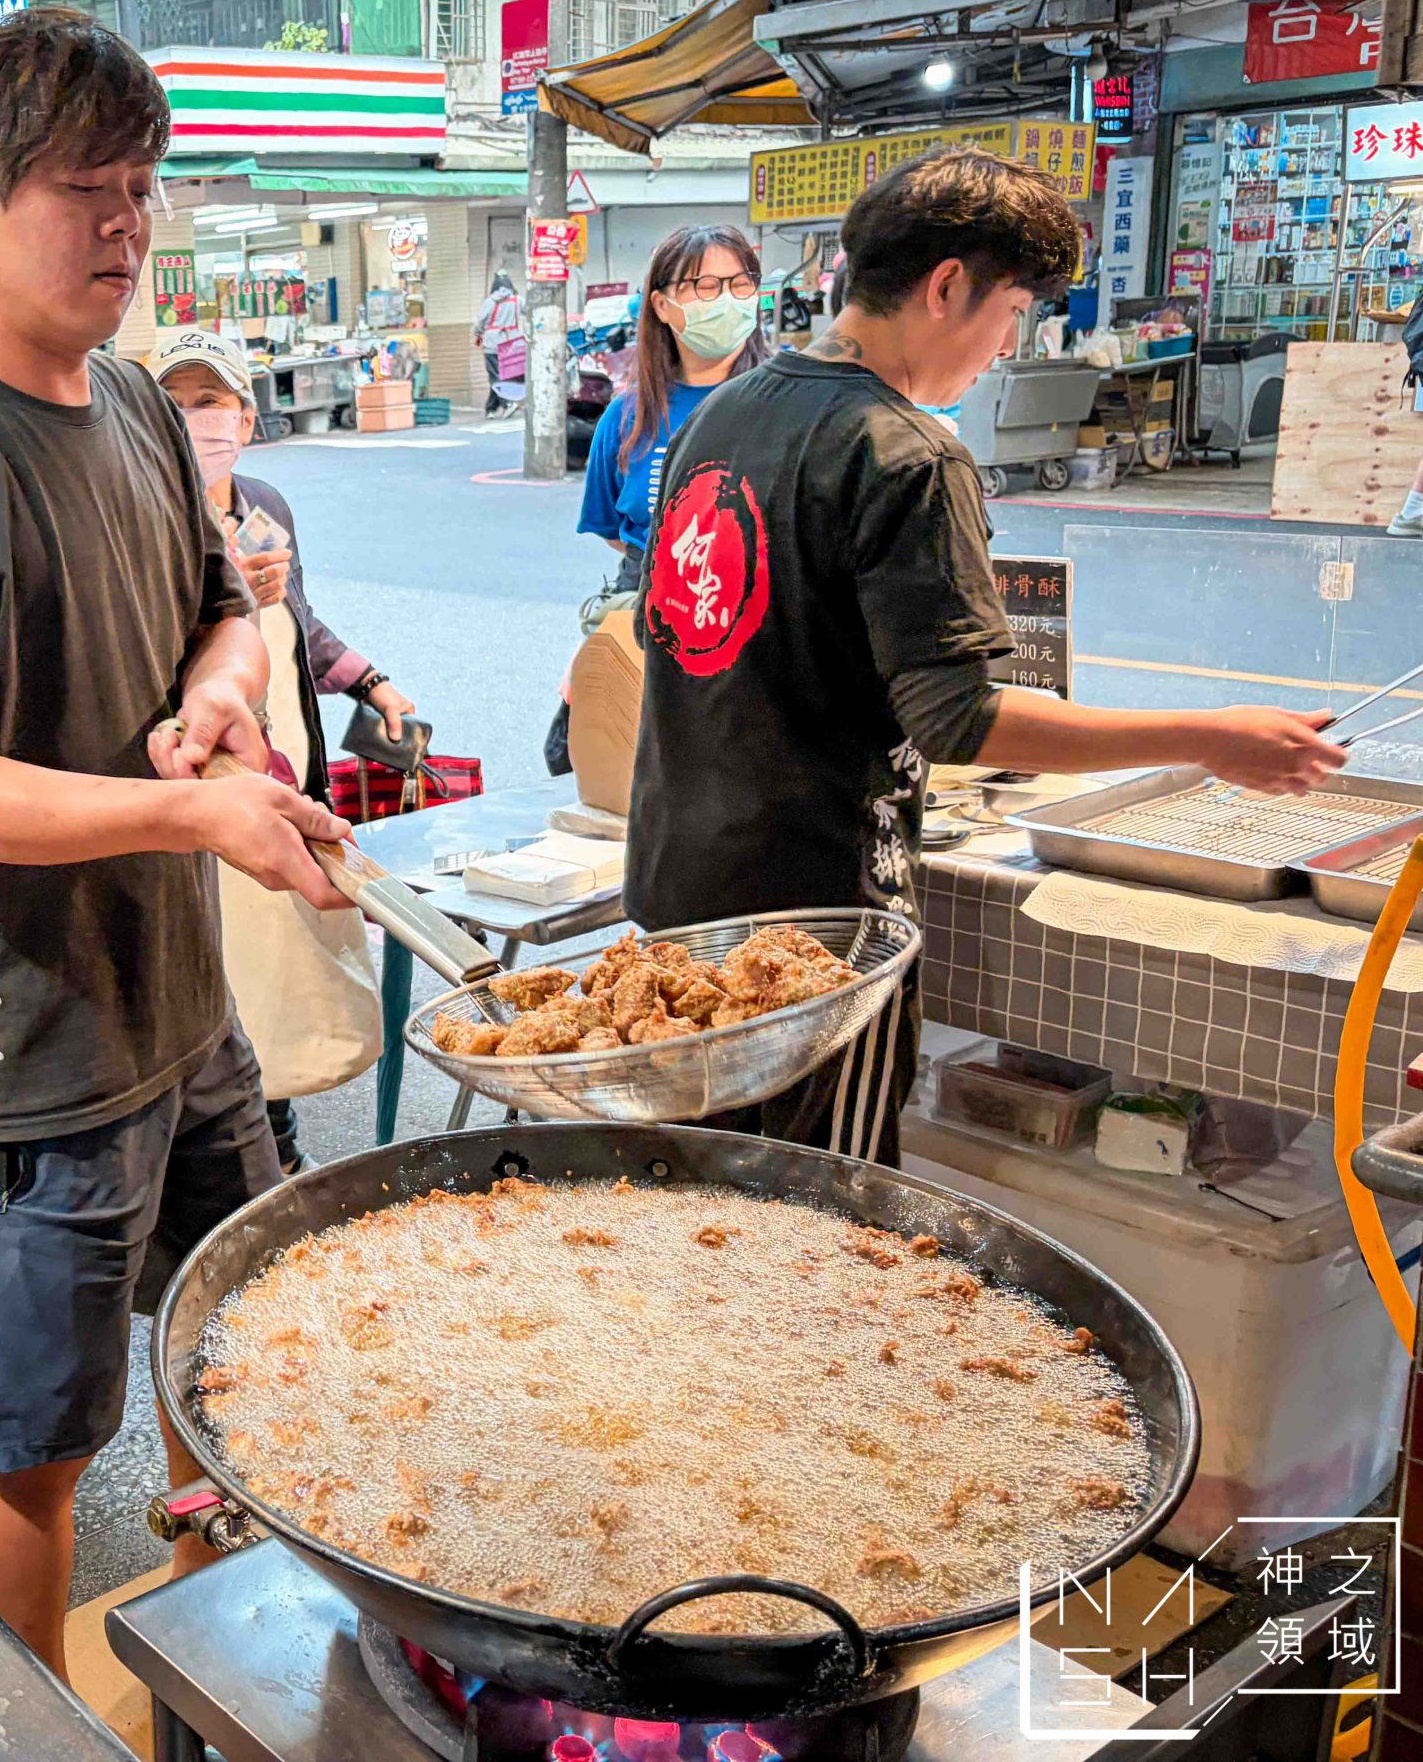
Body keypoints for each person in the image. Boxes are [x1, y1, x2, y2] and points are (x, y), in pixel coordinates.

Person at [0, 6, 350, 1676]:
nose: (128, 223)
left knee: (224, 1344)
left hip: (177, 1000)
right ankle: (24, 1720)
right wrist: (196, 809)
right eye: (84, 191)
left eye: (142, 184)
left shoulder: (124, 396)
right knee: (33, 1443)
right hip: (20, 1038)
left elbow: (225, 609)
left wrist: (217, 706)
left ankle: (225, 1657)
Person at [628, 147, 1345, 1167]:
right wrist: (1208, 739)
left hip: (677, 892)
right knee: (814, 1218)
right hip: (815, 939)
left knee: (692, 1202)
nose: (1005, 343)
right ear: (947, 287)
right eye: (1011, 311)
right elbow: (960, 718)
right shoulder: (903, 450)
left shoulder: (723, 416)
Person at [150, 327, 411, 1173]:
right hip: (204, 769)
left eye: (211, 402)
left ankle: (277, 1140)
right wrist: (214, 594)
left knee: (283, 947)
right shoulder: (143, 515)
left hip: (283, 752)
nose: (197, 421)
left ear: (247, 419)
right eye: (177, 404)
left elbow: (300, 620)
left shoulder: (265, 503)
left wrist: (372, 683)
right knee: (221, 958)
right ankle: (229, 1151)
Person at [578, 225, 768, 597]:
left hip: (767, 619)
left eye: (741, 284)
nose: (726, 299)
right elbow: (612, 530)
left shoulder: (791, 401)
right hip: (653, 614)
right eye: (707, 286)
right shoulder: (626, 418)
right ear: (662, 305)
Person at [475, 271, 526, 418]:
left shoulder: (490, 302)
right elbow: (529, 313)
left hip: (492, 344)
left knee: (495, 376)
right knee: (506, 376)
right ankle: (491, 409)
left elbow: (480, 321)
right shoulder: (518, 300)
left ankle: (507, 404)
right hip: (512, 345)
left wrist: (478, 333)